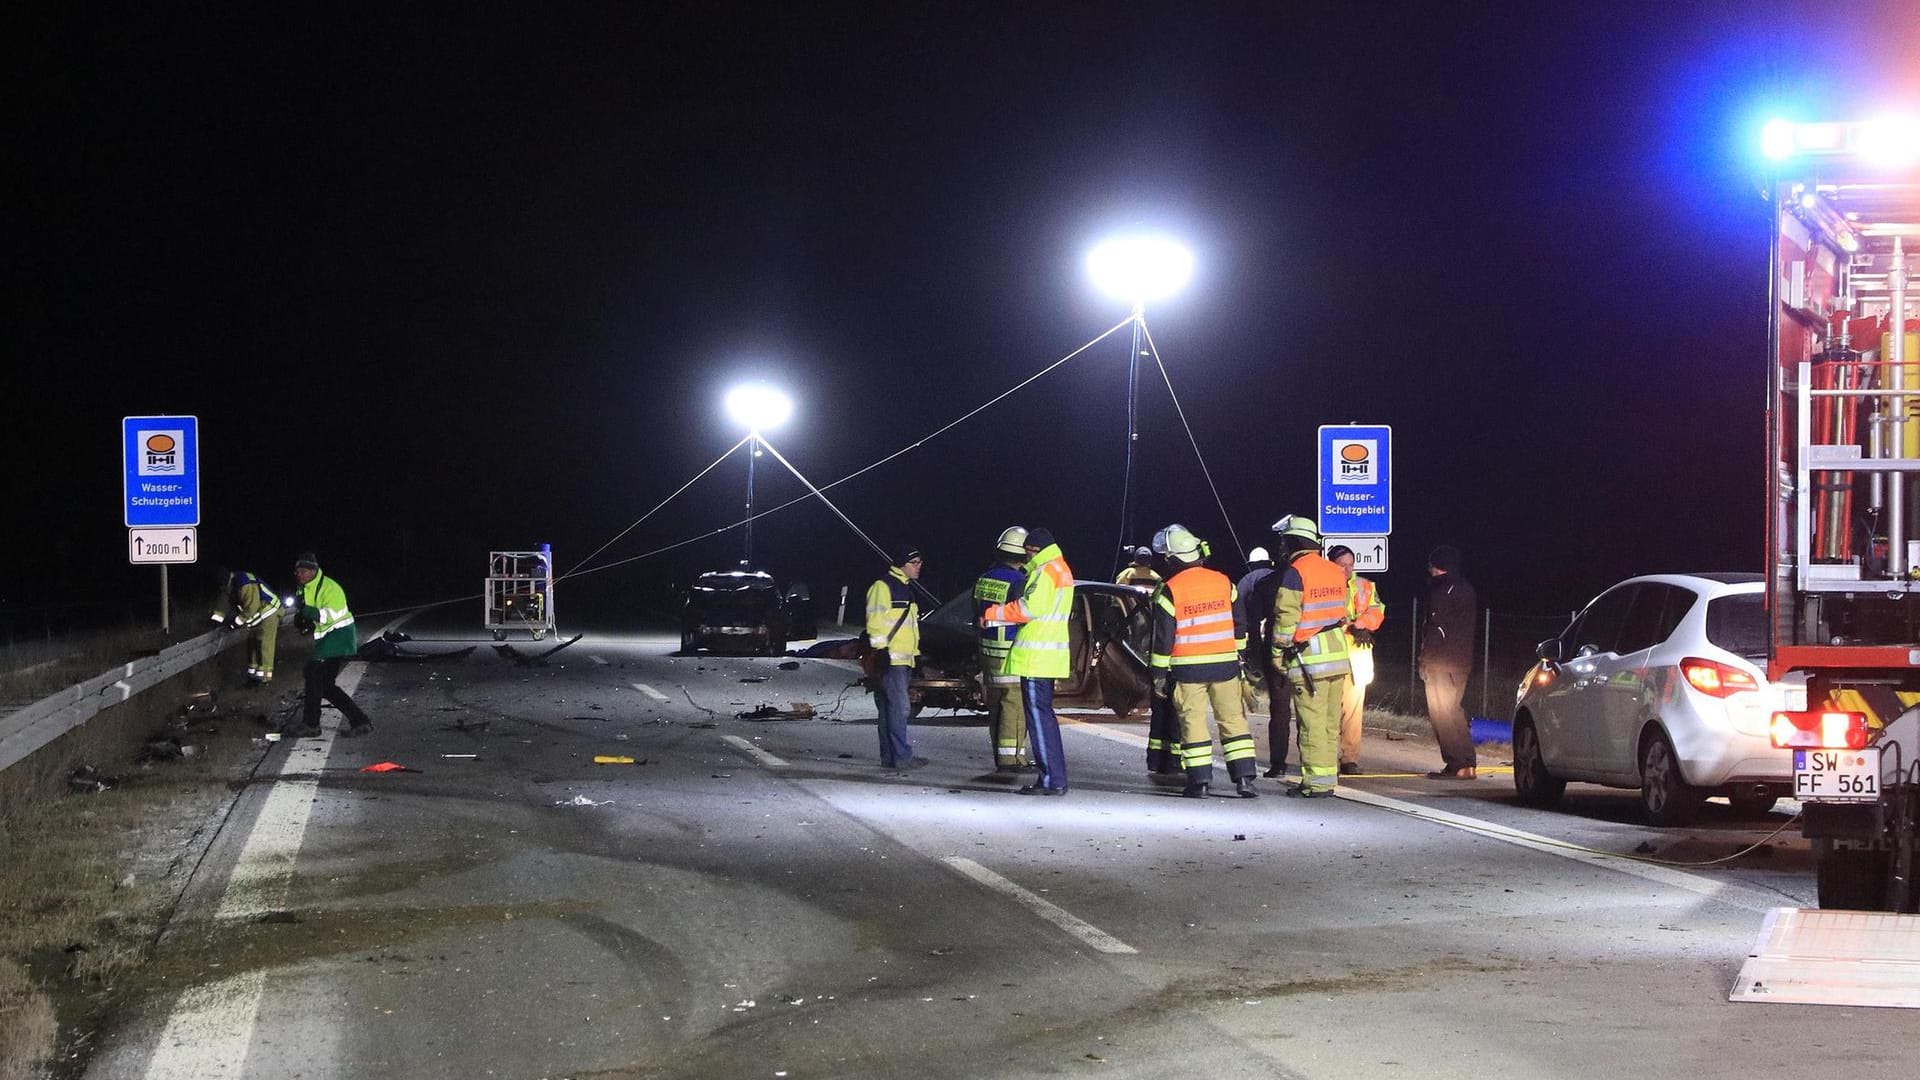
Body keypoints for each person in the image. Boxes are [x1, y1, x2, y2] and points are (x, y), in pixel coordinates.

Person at [1149, 524, 1257, 798]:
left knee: (1193, 723)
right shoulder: (1224, 582)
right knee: (1233, 721)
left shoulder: (1170, 590)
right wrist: (1239, 656)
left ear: (1173, 558)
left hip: (1188, 670)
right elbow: (1240, 626)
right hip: (1226, 667)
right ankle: (1244, 780)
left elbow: (1163, 639)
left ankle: (1199, 782)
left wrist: (1159, 674)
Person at [981, 528, 1074, 796]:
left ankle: (1051, 780)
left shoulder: (1045, 572)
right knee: (1044, 717)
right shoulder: (1059, 568)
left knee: (1040, 719)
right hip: (1046, 656)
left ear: (1033, 549)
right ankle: (1054, 777)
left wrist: (993, 613)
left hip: (1036, 658)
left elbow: (1028, 609)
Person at [1268, 516, 1352, 798]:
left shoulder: (1295, 572)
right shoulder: (1334, 571)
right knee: (1330, 724)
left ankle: (1315, 783)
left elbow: (1286, 620)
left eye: (1285, 541)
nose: (1282, 546)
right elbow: (1343, 612)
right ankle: (1326, 780)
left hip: (1309, 660)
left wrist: (1278, 654)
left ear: (1294, 542)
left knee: (1312, 723)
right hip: (1338, 655)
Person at [289, 553, 373, 738]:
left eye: (302, 571)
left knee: (313, 674)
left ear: (312, 571)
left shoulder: (330, 588)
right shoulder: (304, 588)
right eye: (297, 571)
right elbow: (308, 613)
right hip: (329, 637)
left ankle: (311, 724)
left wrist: (307, 612)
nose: (298, 574)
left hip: (339, 637)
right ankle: (360, 721)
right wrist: (302, 621)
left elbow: (328, 616)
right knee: (324, 684)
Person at [974, 528, 1033, 774]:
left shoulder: (984, 578)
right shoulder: (1019, 582)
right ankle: (1012, 760)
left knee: (997, 705)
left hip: (988, 652)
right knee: (1015, 706)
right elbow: (1025, 616)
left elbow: (976, 616)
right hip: (1010, 653)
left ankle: (1001, 757)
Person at [1420, 544, 1478, 779]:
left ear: (1436, 566)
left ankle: (1456, 763)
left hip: (1440, 663)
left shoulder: (1442, 591)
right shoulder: (1466, 588)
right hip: (1462, 662)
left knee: (1441, 713)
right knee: (1454, 711)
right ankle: (1468, 762)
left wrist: (1424, 659)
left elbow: (1436, 629)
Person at [865, 546, 926, 770]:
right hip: (891, 659)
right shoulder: (883, 586)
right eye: (915, 563)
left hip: (902, 659)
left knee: (889, 709)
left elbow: (911, 627)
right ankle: (901, 757)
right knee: (900, 709)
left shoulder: (906, 589)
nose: (919, 567)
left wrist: (916, 655)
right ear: (902, 563)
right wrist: (881, 650)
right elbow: (875, 620)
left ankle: (891, 758)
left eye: (920, 562)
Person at [1326, 545, 1385, 775]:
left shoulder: (1365, 586)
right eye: (1343, 565)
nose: (1348, 569)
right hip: (1332, 654)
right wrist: (1350, 625)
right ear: (1332, 564)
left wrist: (1363, 624)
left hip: (1357, 656)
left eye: (1351, 564)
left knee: (1353, 712)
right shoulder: (1325, 585)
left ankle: (1349, 759)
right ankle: (1327, 755)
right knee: (1329, 711)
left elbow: (1377, 610)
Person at [1237, 547, 1291, 778]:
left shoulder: (1252, 580)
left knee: (1279, 710)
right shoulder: (1288, 579)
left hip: (1274, 648)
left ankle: (1278, 764)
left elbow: (1239, 610)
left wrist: (1251, 652)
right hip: (1307, 651)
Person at [211, 567, 280, 683]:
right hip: (256, 616)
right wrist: (215, 620)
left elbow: (251, 607)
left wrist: (236, 622)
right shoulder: (229, 586)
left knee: (264, 644)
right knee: (252, 645)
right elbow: (222, 604)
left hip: (269, 611)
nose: (222, 589)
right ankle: (253, 675)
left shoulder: (244, 583)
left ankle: (265, 678)